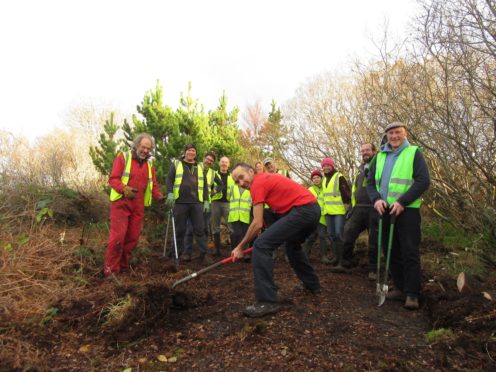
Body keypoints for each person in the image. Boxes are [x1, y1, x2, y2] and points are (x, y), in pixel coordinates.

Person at [231, 163, 321, 318]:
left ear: (251, 171)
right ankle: (312, 285)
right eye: (236, 182)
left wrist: (240, 247)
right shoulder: (265, 179)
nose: (241, 183)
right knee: (292, 247)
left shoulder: (257, 183)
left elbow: (257, 223)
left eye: (241, 177)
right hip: (312, 211)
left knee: (261, 246)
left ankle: (267, 301)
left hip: (302, 210)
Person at [367, 121, 430, 310]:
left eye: (398, 132)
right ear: (386, 135)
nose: (394, 136)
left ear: (404, 133)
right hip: (384, 209)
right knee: (389, 250)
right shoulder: (378, 157)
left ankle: (412, 293)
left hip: (407, 210)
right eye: (391, 133)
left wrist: (403, 201)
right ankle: (400, 287)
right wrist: (376, 199)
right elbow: (370, 184)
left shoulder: (413, 153)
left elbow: (423, 181)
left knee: (409, 250)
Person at [104, 133, 163, 277]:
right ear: (136, 145)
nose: (145, 151)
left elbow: (153, 185)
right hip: (121, 203)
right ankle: (110, 270)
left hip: (138, 205)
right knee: (118, 237)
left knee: (133, 238)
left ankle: (123, 266)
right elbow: (113, 179)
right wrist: (124, 189)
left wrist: (159, 196)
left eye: (148, 149)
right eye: (143, 147)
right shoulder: (123, 158)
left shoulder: (149, 165)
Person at [165, 143, 213, 264]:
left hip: (196, 204)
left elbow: (206, 187)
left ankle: (205, 254)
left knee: (200, 230)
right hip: (180, 203)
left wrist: (206, 201)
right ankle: (175, 254)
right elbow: (169, 180)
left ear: (196, 154)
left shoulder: (200, 167)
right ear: (185, 152)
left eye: (193, 151)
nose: (191, 153)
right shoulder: (176, 164)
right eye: (189, 150)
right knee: (179, 230)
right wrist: (170, 193)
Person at [342, 143, 379, 280]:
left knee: (374, 241)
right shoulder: (360, 168)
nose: (365, 152)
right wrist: (352, 208)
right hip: (358, 208)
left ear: (374, 151)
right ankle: (345, 263)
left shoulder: (380, 164)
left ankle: (373, 269)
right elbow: (355, 190)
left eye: (367, 150)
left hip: (374, 208)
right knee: (347, 234)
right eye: (362, 150)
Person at [183, 151, 223, 259]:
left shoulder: (213, 173)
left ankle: (203, 253)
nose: (209, 162)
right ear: (204, 158)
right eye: (208, 159)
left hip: (206, 204)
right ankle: (187, 253)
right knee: (190, 228)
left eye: (211, 161)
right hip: (194, 202)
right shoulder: (195, 167)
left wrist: (213, 191)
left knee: (203, 229)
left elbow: (221, 185)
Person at [321, 157, 351, 273]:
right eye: (324, 166)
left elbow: (346, 194)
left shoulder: (339, 177)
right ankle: (336, 257)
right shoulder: (324, 179)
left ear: (332, 166)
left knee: (339, 234)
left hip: (339, 211)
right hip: (328, 212)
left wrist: (348, 209)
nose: (326, 167)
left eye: (328, 165)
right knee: (332, 235)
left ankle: (342, 261)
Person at [302, 170, 331, 263]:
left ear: (321, 178)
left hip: (322, 217)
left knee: (322, 236)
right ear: (312, 180)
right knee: (310, 237)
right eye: (314, 178)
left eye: (318, 177)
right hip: (312, 217)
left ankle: (323, 257)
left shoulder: (325, 188)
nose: (316, 179)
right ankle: (304, 256)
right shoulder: (309, 190)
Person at [211, 156, 234, 256]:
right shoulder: (213, 174)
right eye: (222, 161)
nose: (224, 163)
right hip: (215, 202)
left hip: (228, 203)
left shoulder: (232, 176)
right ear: (219, 163)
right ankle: (217, 250)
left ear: (229, 164)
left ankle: (234, 250)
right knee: (215, 227)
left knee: (231, 227)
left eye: (226, 162)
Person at [227, 182, 252, 260]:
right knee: (238, 233)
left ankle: (243, 253)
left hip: (245, 215)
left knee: (245, 234)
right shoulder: (232, 187)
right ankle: (238, 253)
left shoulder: (249, 188)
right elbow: (228, 197)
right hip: (235, 215)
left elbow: (252, 199)